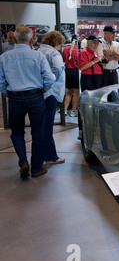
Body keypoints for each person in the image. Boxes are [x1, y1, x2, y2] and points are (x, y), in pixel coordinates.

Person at [0, 26, 55, 178]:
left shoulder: (4, 57)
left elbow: (1, 81)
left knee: (17, 132)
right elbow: (50, 78)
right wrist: (42, 90)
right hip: (35, 96)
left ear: (15, 39)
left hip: (15, 97)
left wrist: (7, 92)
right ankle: (36, 168)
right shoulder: (37, 56)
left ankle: (23, 162)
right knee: (38, 132)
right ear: (31, 39)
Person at [38, 31, 66, 165]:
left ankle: (42, 154)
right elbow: (57, 69)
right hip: (51, 92)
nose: (60, 47)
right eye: (60, 45)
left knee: (41, 125)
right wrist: (49, 84)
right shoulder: (54, 54)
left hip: (39, 93)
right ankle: (50, 156)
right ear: (56, 43)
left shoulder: (37, 51)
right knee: (47, 125)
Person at [62, 35, 80, 117]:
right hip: (75, 71)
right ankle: (73, 111)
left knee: (69, 91)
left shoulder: (65, 49)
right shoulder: (77, 51)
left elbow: (63, 60)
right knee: (76, 92)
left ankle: (65, 110)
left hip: (67, 71)